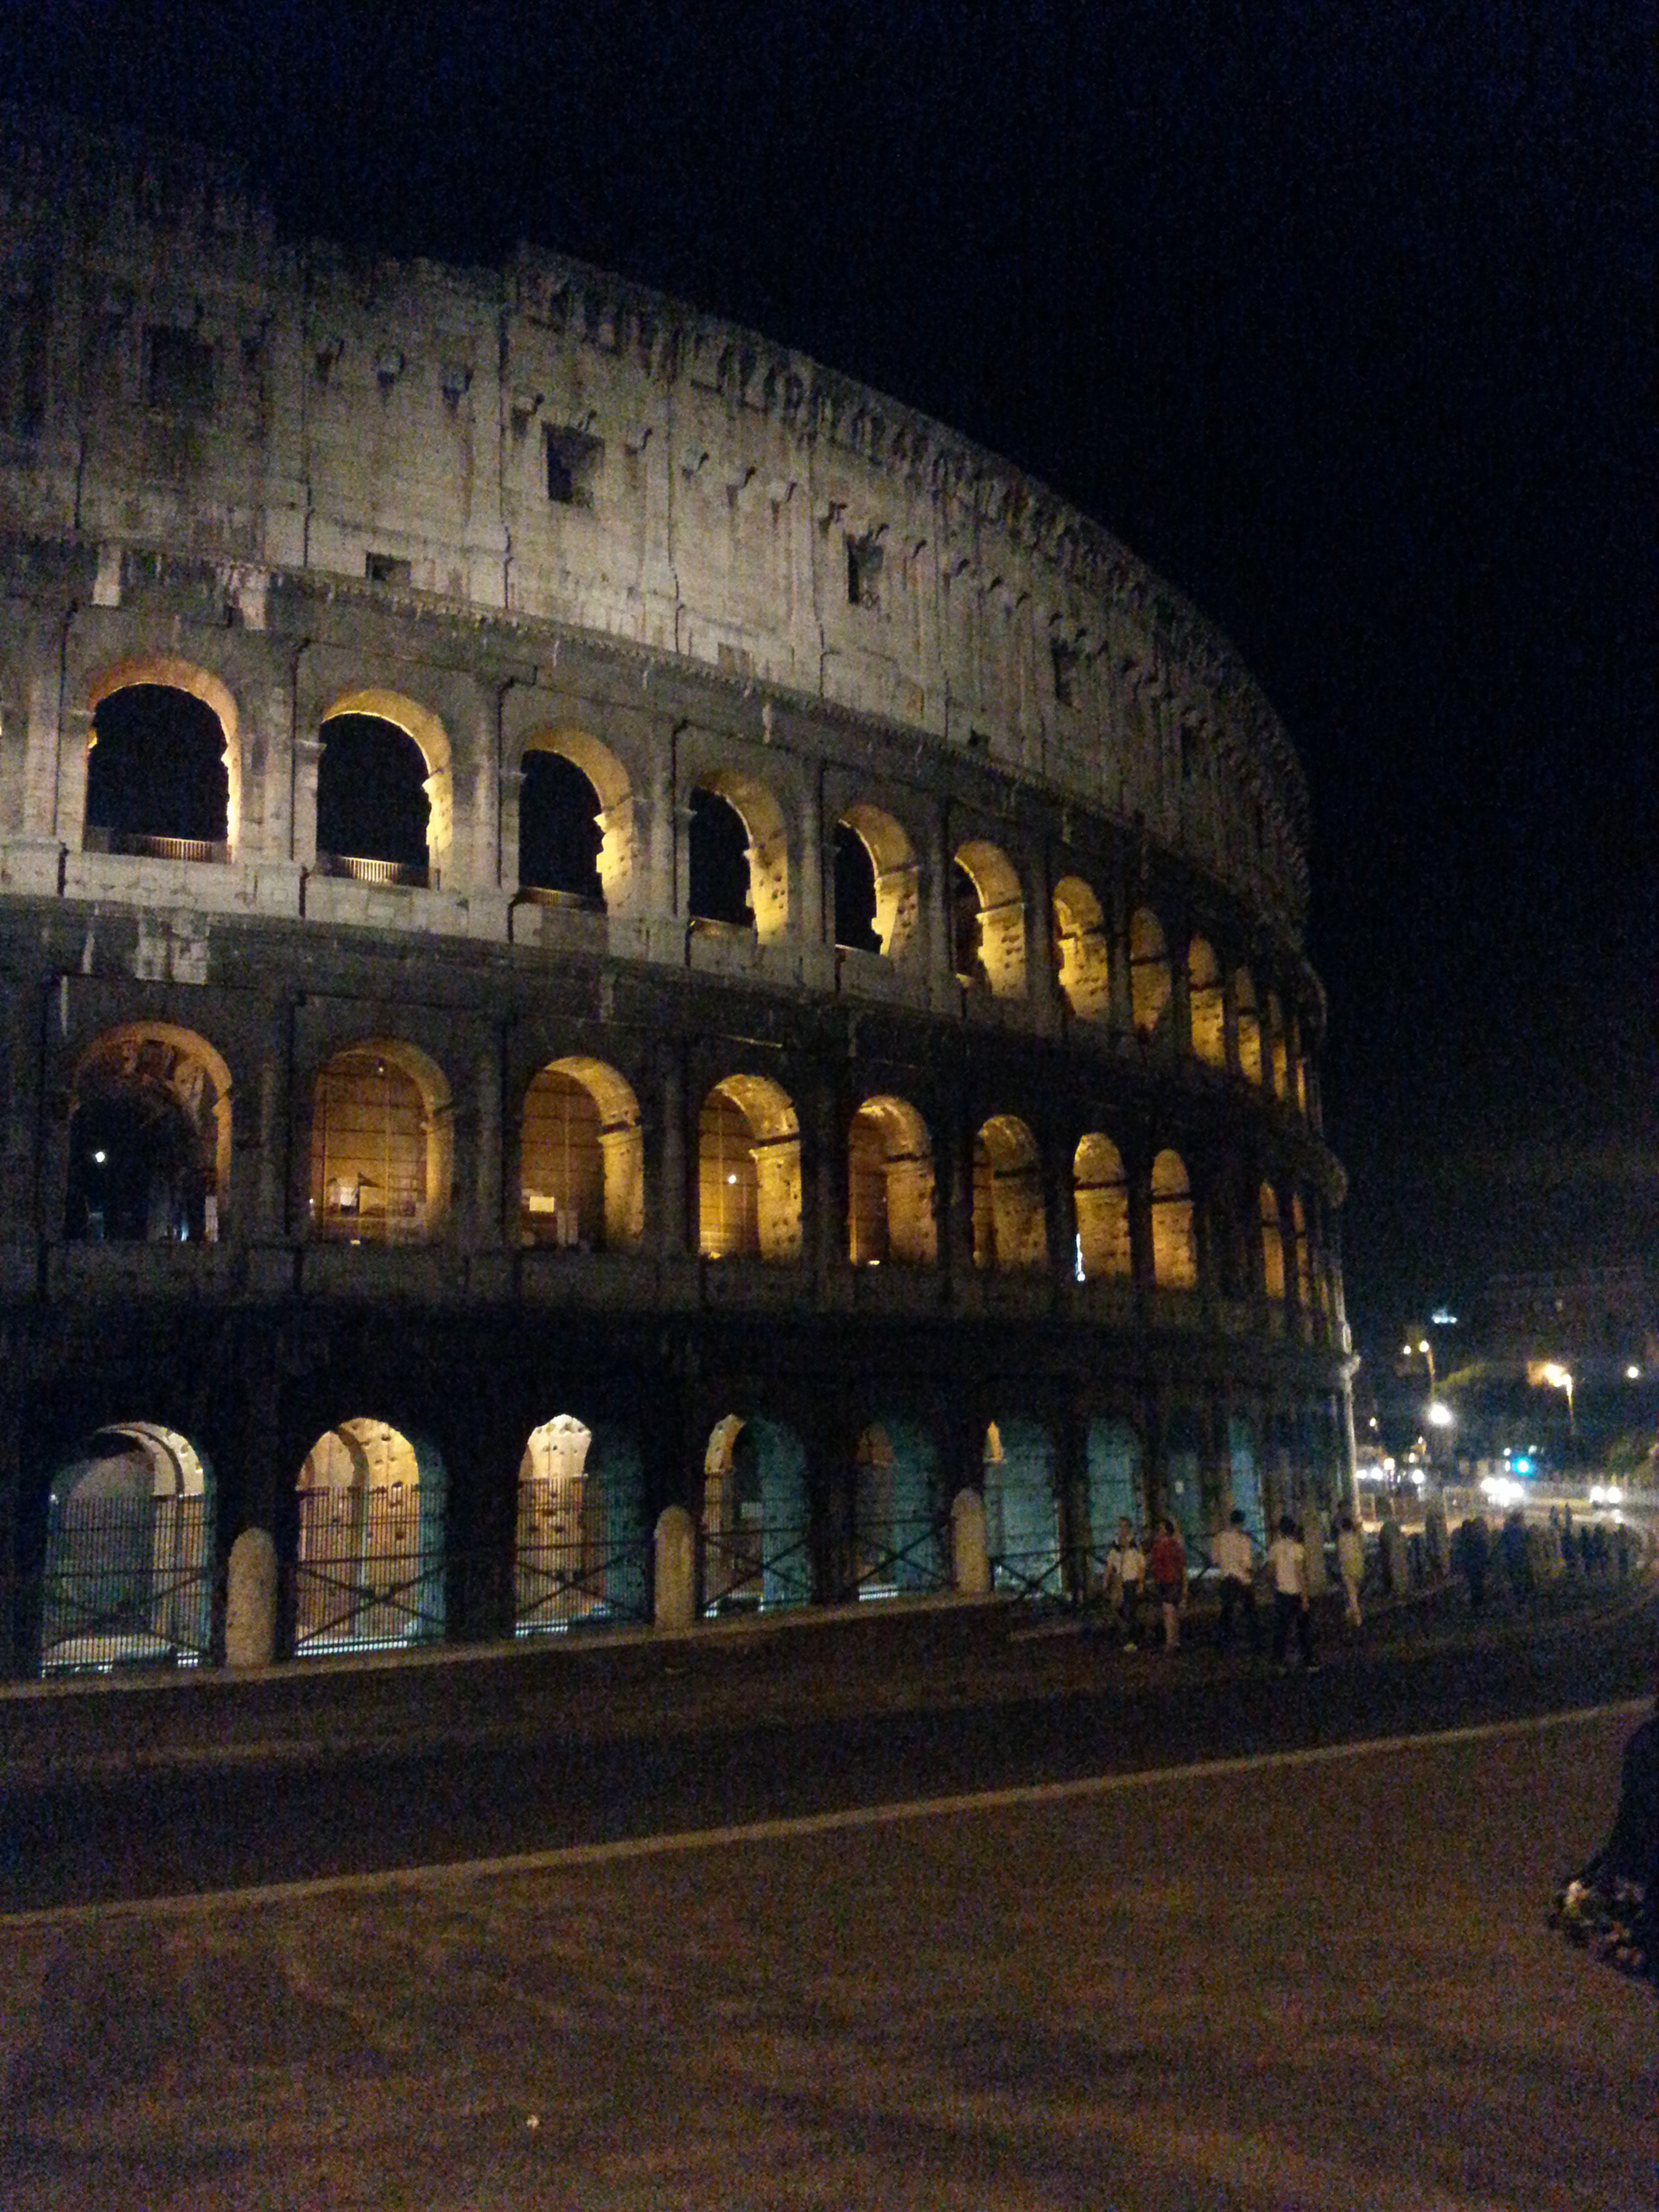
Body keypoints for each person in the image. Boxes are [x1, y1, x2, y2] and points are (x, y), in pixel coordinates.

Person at [1266, 1513, 1315, 1670]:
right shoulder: (1298, 1549)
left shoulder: (1274, 1548)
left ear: (1280, 1530)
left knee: (1281, 1628)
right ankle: (1307, 1661)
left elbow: (1271, 1572)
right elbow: (1301, 1574)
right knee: (1303, 1628)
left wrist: (1273, 1587)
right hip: (1296, 1592)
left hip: (1282, 1592)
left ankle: (1279, 1662)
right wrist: (1305, 1597)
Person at [1212, 1509, 1259, 1651]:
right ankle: (1254, 1640)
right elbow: (1246, 1563)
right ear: (1242, 1522)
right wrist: (1253, 1570)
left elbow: (1215, 1559)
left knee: (1227, 1611)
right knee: (1250, 1610)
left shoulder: (1220, 1538)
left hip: (1226, 1577)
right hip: (1241, 1579)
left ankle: (1224, 1642)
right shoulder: (1243, 1539)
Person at [1104, 1517, 1146, 1651]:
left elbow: (1141, 1566)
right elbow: (1110, 1565)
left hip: (1131, 1581)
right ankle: (1130, 1636)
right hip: (1119, 1582)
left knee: (1129, 1610)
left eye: (1125, 1526)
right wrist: (1106, 1581)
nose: (1122, 1529)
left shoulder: (1135, 1546)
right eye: (1120, 1526)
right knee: (1120, 1609)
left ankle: (1131, 1640)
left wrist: (1141, 1584)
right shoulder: (1115, 1546)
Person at [1147, 1516, 1186, 1650]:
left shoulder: (1161, 1545)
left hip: (1166, 1579)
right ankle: (1175, 1639)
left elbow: (1153, 1562)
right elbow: (1182, 1564)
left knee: (1168, 1610)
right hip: (1172, 1579)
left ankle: (1170, 1641)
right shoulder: (1174, 1544)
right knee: (1172, 1611)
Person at [1453, 1513, 1490, 1611]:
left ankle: (1474, 1605)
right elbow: (1483, 1552)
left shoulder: (1463, 1540)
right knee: (1478, 1585)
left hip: (1469, 1566)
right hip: (1476, 1566)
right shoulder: (1477, 1538)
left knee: (1472, 1585)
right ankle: (1478, 1606)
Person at [1335, 1512, 1364, 1628]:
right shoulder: (1356, 1537)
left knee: (1351, 1592)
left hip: (1348, 1568)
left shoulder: (1341, 1539)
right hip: (1359, 1566)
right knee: (1355, 1591)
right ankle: (1350, 1612)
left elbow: (1340, 1555)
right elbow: (1362, 1549)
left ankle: (1357, 1618)